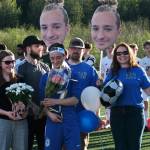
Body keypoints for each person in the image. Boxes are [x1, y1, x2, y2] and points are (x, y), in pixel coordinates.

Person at [104, 42, 150, 150]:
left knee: (134, 147)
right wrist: (100, 85)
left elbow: (148, 90)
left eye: (125, 52)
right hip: (116, 113)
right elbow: (104, 91)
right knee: (120, 147)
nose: (122, 55)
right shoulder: (112, 72)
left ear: (130, 53)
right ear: (115, 56)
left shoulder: (138, 70)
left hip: (135, 113)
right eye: (118, 54)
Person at [39, 43, 81, 150]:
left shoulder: (74, 75)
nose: (55, 61)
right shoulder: (45, 77)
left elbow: (75, 100)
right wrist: (49, 114)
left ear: (65, 56)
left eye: (58, 57)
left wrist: (55, 102)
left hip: (70, 119)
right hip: (52, 120)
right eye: (52, 58)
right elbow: (42, 102)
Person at [17, 35, 50, 150]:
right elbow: (18, 94)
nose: (41, 48)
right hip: (27, 117)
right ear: (28, 49)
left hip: (44, 116)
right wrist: (31, 106)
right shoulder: (20, 68)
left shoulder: (45, 67)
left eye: (41, 45)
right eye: (37, 46)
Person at [67, 37, 99, 150]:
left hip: (83, 116)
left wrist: (96, 115)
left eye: (79, 48)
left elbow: (95, 94)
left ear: (83, 50)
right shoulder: (61, 67)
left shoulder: (89, 70)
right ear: (69, 49)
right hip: (63, 116)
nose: (76, 50)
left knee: (81, 146)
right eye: (73, 48)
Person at [0, 50, 28, 150]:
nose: (11, 64)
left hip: (21, 122)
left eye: (13, 61)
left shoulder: (20, 79)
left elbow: (27, 100)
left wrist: (24, 107)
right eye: (7, 62)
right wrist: (7, 113)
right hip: (3, 122)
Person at [140, 40, 150, 131]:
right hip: (146, 84)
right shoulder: (142, 61)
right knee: (145, 103)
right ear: (144, 49)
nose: (149, 49)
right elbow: (143, 73)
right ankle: (145, 124)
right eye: (147, 48)